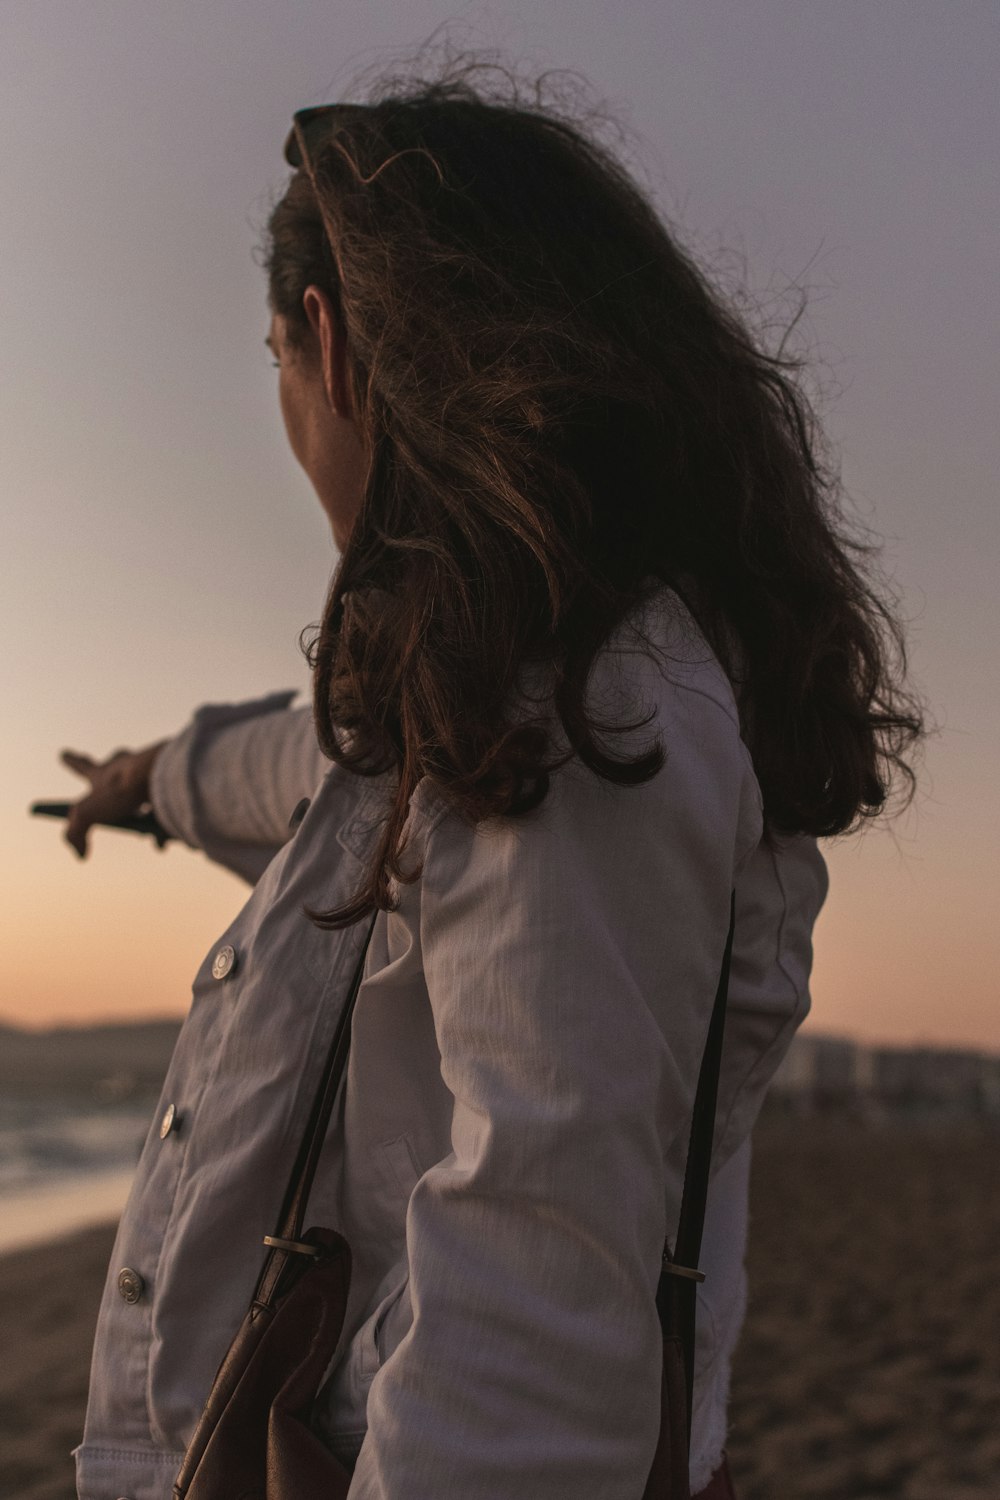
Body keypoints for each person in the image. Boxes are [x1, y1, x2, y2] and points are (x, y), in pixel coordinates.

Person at [62, 57, 924, 1500]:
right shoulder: (490, 682)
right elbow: (298, 765)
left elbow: (530, 1322)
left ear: (333, 349)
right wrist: (151, 782)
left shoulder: (597, 711)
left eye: (278, 368)